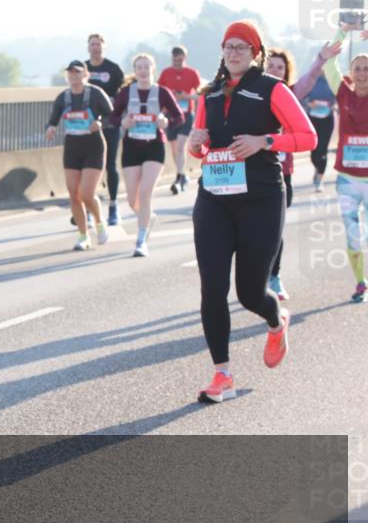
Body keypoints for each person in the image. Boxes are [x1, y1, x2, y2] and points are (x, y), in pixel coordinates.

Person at [187, 21, 316, 403]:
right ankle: (222, 375)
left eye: (241, 47)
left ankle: (276, 321)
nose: (233, 52)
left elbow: (308, 137)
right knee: (212, 287)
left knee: (249, 293)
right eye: (228, 46)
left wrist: (264, 141)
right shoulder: (209, 94)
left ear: (255, 53)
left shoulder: (272, 89)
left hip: (261, 200)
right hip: (214, 199)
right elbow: (200, 148)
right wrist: (195, 144)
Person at [294, 26, 368, 302]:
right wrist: (342, 32)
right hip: (348, 179)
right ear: (351, 73)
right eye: (357, 68)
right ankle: (361, 282)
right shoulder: (343, 92)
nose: (362, 73)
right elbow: (329, 63)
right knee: (353, 234)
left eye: (366, 68)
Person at [110, 53, 184, 257]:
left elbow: (179, 116)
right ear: (135, 71)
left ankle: (141, 240)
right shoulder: (126, 93)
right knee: (132, 199)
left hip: (154, 146)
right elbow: (112, 116)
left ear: (153, 69)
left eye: (146, 67)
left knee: (145, 193)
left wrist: (165, 122)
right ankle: (147, 217)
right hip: (131, 147)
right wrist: (122, 122)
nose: (143, 71)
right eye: (139, 67)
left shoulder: (162, 92)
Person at [46, 60, 114, 250]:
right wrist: (50, 128)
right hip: (72, 147)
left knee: (86, 193)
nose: (74, 76)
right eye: (71, 73)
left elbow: (112, 116)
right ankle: (83, 236)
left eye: (77, 72)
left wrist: (100, 123)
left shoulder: (95, 94)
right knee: (74, 194)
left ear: (85, 75)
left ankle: (99, 223)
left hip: (93, 146)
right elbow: (52, 120)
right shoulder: (63, 98)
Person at [264, 47, 297, 300]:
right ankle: (257, 276)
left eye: (280, 68)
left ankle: (274, 277)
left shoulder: (291, 95)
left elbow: (311, 77)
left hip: (282, 176)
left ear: (286, 73)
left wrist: (322, 58)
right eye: (271, 66)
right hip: (255, 174)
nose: (275, 71)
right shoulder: (253, 96)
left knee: (275, 230)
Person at [86, 33, 125, 226]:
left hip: (110, 123)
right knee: (88, 167)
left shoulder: (113, 69)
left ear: (104, 47)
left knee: (110, 165)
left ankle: (113, 206)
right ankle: (87, 208)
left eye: (98, 44)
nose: (95, 47)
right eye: (92, 44)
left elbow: (123, 94)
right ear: (88, 47)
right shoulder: (82, 68)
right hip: (88, 125)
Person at [158, 45, 203, 194]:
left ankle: (178, 177)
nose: (177, 63)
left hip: (186, 114)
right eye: (174, 61)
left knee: (180, 145)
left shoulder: (192, 73)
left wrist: (185, 96)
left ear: (185, 58)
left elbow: (200, 95)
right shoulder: (166, 73)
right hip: (170, 115)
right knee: (174, 149)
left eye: (180, 60)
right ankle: (182, 174)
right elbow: (158, 93)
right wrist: (169, 100)